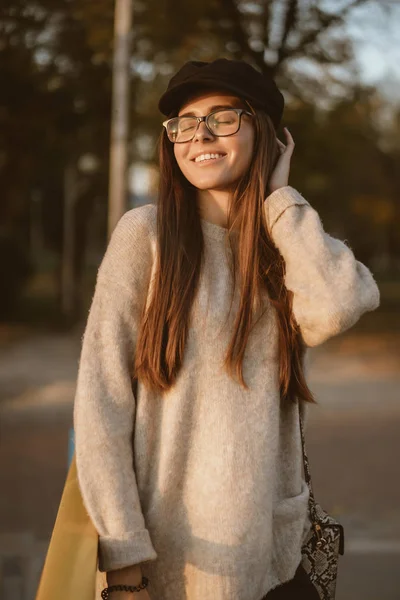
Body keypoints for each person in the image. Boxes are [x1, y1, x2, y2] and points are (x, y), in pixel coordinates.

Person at [73, 59, 380, 600]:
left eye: (223, 117)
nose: (201, 135)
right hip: (170, 566)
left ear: (265, 133)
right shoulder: (144, 236)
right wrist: (123, 562)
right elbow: (101, 406)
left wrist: (280, 201)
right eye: (185, 123)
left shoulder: (282, 244)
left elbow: (336, 305)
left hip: (270, 562)